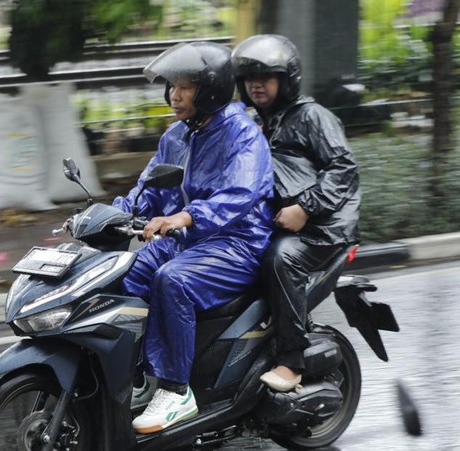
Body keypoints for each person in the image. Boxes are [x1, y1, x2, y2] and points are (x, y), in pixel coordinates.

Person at [112, 41, 274, 433]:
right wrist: (111, 214)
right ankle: (140, 376)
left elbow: (237, 195)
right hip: (189, 241)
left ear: (211, 90)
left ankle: (175, 390)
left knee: (173, 281)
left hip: (237, 243)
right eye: (172, 86)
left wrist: (184, 217)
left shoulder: (242, 135)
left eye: (185, 87)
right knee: (124, 275)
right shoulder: (176, 137)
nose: (174, 94)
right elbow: (148, 189)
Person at [231, 35, 362, 392]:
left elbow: (343, 169)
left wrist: (306, 208)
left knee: (280, 260)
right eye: (249, 78)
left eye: (266, 77)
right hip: (283, 222)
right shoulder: (257, 122)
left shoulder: (311, 116)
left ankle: (290, 361)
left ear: (286, 79)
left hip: (324, 226)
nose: (256, 85)